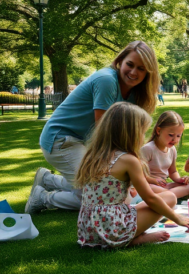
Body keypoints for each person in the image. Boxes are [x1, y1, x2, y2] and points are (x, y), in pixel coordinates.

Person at [26, 41, 160, 213]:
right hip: (61, 140)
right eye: (130, 64)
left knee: (108, 186)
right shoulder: (106, 80)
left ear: (148, 72)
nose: (133, 72)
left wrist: (136, 172)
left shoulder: (137, 93)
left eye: (141, 68)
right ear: (120, 61)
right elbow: (103, 132)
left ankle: (47, 179)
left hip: (82, 142)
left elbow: (130, 135)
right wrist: (127, 171)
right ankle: (42, 198)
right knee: (98, 195)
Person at [75, 103, 189, 248]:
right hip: (111, 229)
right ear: (131, 133)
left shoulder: (93, 155)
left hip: (88, 229)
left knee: (149, 200)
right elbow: (150, 199)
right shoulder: (129, 160)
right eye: (142, 132)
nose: (143, 137)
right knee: (169, 198)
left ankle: (132, 236)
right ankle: (132, 239)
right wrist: (177, 218)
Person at [140, 111, 189, 198]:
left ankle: (166, 196)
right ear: (158, 130)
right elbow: (139, 176)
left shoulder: (172, 149)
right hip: (149, 185)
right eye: (171, 135)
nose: (175, 139)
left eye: (178, 136)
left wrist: (179, 179)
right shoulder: (148, 149)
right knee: (157, 190)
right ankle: (168, 196)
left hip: (164, 186)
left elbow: (173, 172)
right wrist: (153, 180)